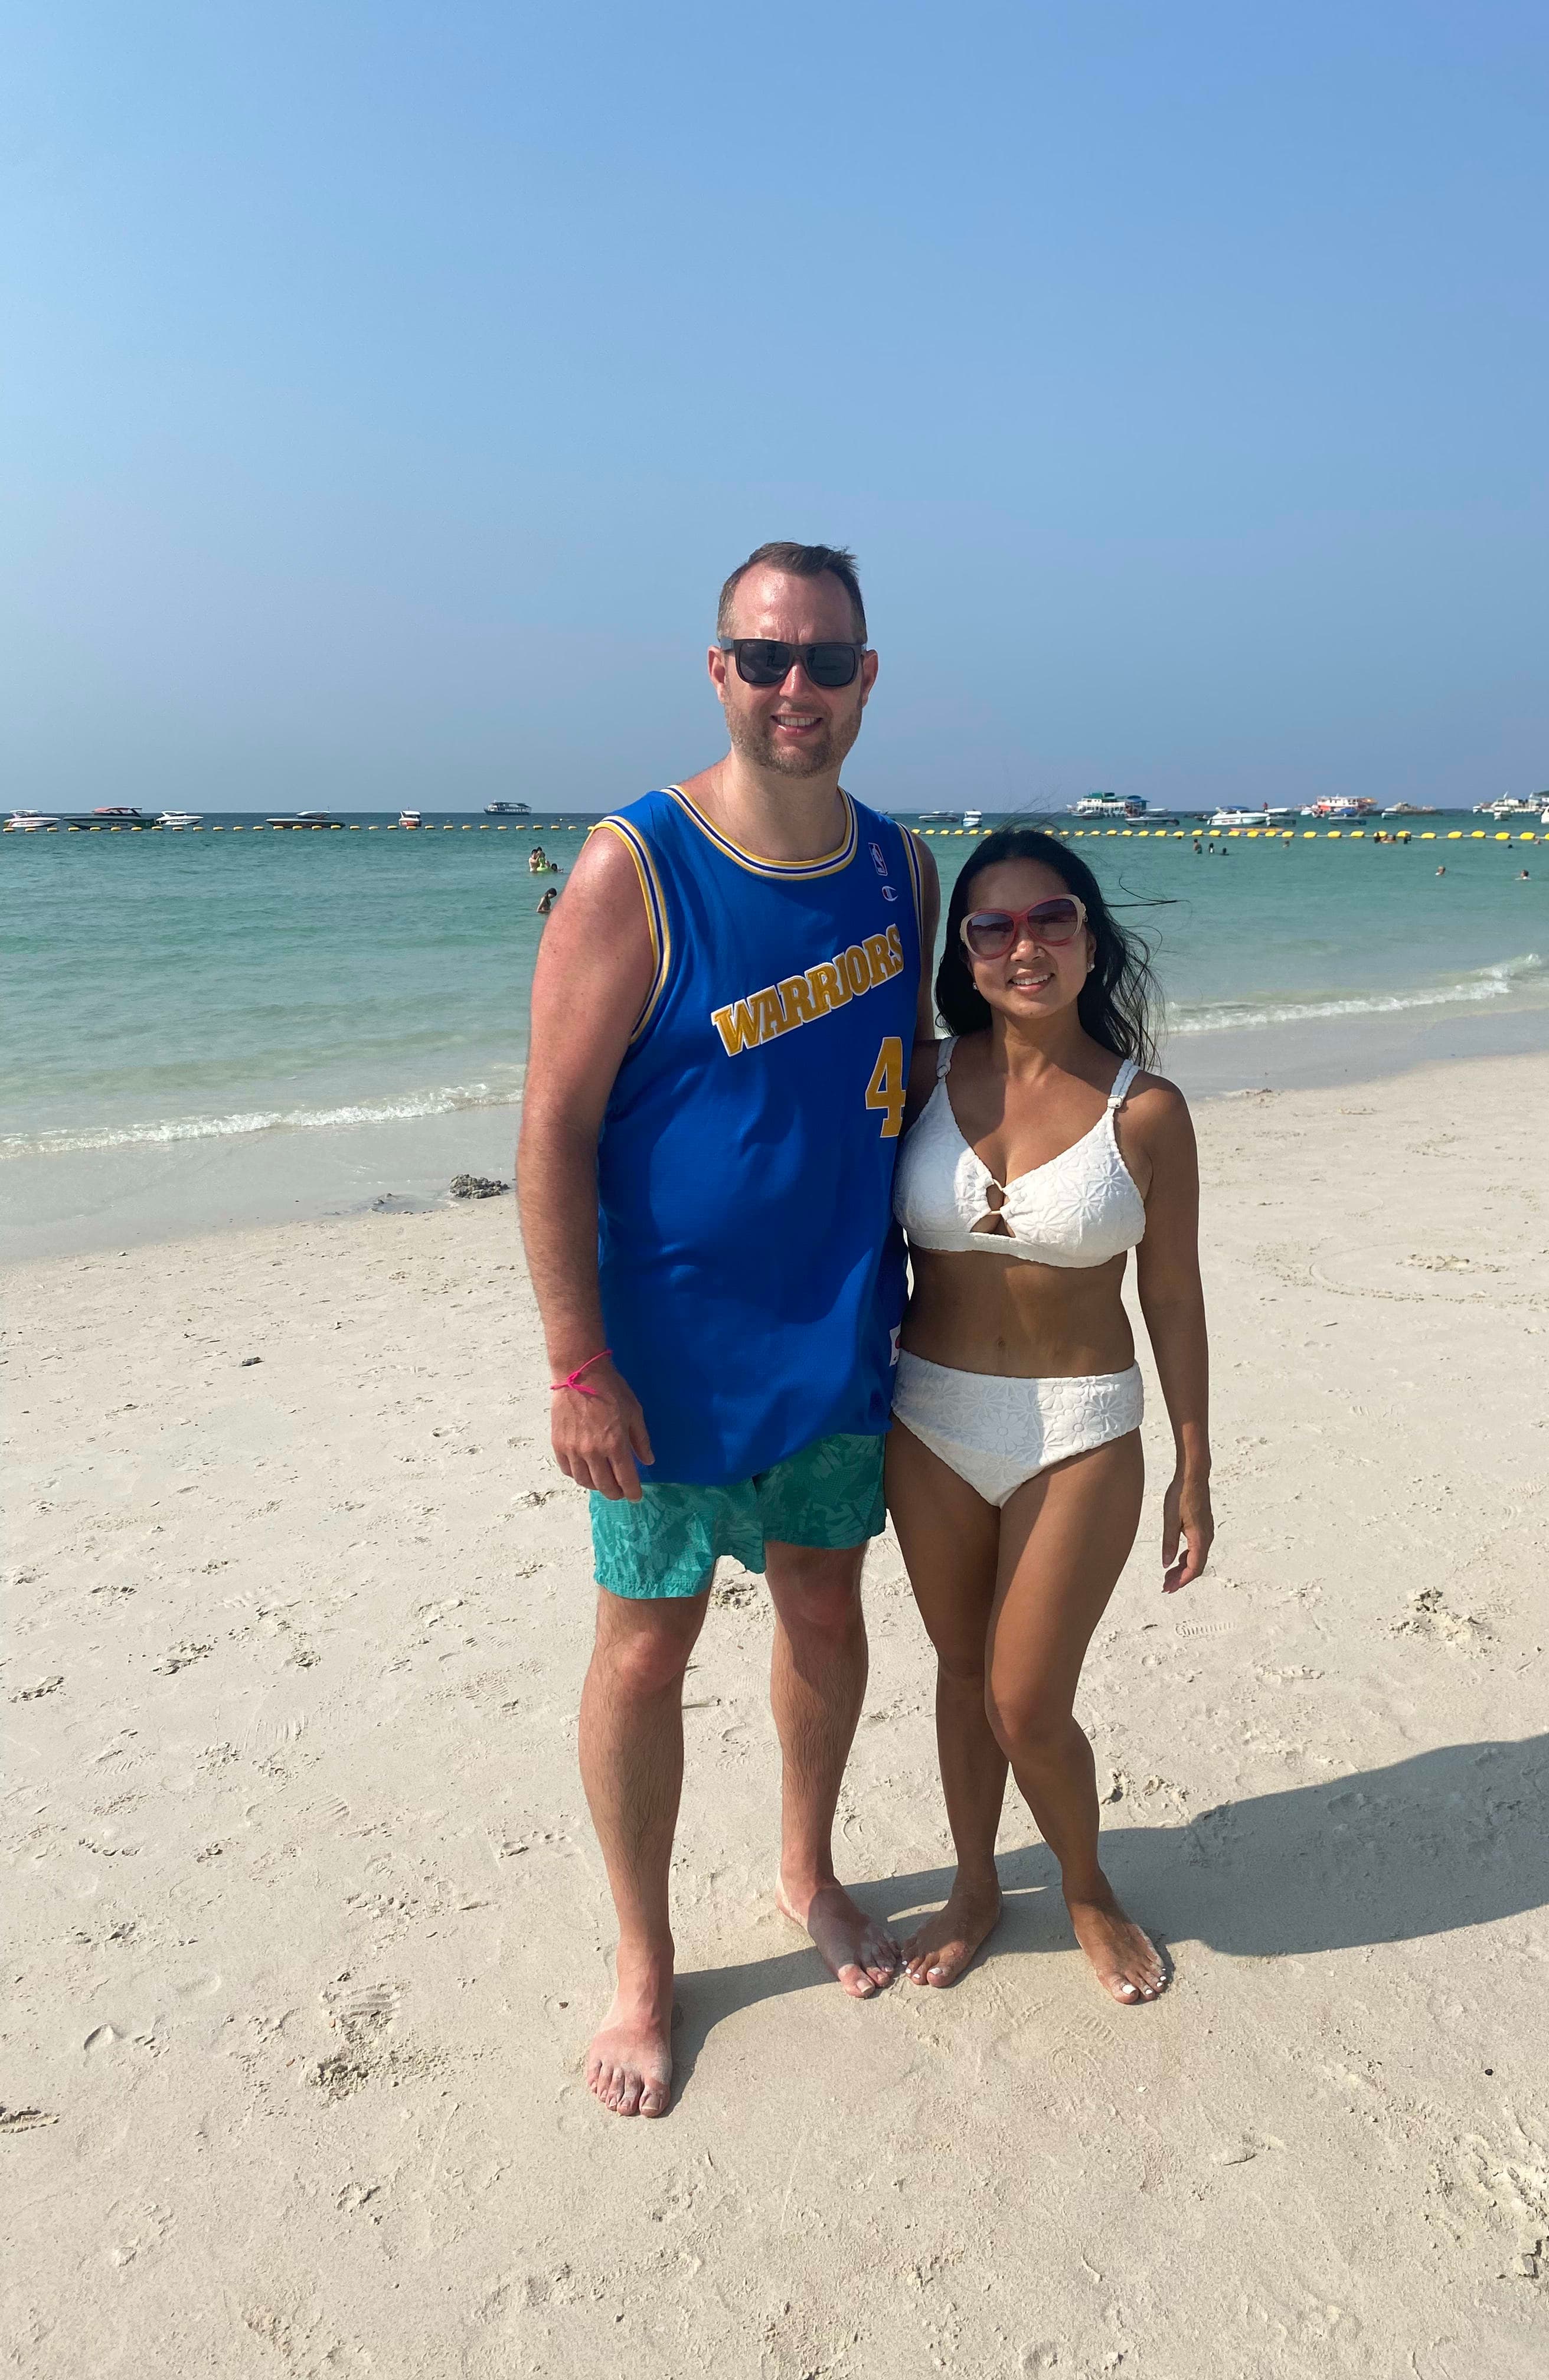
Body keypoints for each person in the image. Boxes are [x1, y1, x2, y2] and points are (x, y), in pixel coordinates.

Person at [518, 541, 939, 2118]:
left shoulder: (902, 873)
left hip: (836, 1344)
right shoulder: (637, 862)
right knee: (645, 1650)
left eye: (826, 661)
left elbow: (912, 1086)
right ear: (717, 669)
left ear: (867, 679)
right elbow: (553, 1132)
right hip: (665, 1369)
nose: (795, 690)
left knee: (825, 1619)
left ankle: (805, 1873)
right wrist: (578, 1365)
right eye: (764, 658)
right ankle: (643, 1960)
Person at [885, 830, 1213, 2006]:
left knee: (1026, 1697)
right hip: (925, 1417)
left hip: (1079, 1429)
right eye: (993, 926)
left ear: (1091, 938)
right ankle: (976, 1884)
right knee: (961, 1669)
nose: (1026, 945)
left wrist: (1195, 1463)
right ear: (963, 955)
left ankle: (1084, 1883)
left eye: (1052, 919)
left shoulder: (1147, 1112)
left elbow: (1170, 1290)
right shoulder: (919, 1077)